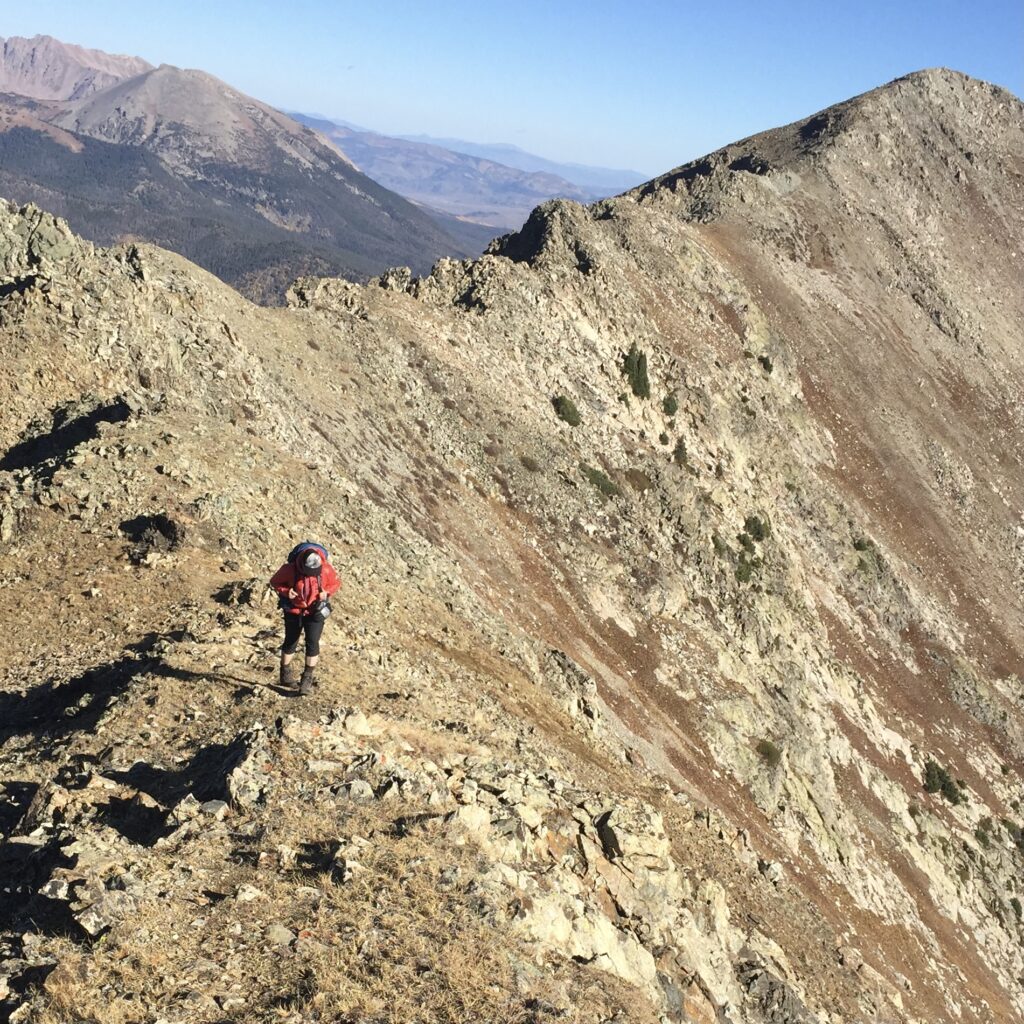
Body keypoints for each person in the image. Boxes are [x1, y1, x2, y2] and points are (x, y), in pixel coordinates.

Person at [269, 544, 340, 695]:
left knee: (312, 643)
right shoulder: (289, 569)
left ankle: (306, 680)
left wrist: (326, 592)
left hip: (315, 612)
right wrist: (287, 591)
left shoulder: (326, 569)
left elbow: (335, 583)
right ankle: (285, 674)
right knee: (291, 641)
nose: (311, 575)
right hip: (294, 611)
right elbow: (275, 582)